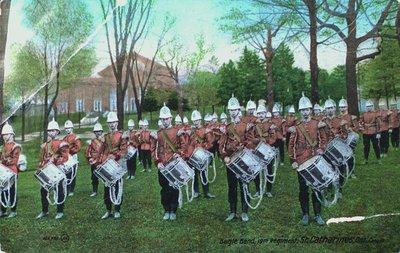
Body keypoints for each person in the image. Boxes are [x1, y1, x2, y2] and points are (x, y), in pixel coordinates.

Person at [288, 93, 327, 226]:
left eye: (307, 109)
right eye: (303, 110)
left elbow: (323, 138)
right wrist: (293, 160)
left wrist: (321, 149)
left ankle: (318, 214)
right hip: (301, 161)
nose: (305, 112)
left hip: (315, 158)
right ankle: (305, 214)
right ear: (300, 111)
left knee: (317, 187)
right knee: (303, 189)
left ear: (310, 110)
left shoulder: (317, 124)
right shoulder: (297, 126)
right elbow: (291, 144)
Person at [219, 95, 256, 222]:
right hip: (231, 161)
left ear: (239, 111)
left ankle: (244, 212)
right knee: (232, 187)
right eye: (230, 110)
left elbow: (251, 141)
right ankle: (232, 211)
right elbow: (221, 144)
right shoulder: (227, 127)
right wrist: (224, 156)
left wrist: (244, 147)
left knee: (244, 185)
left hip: (243, 160)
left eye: (234, 110)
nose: (232, 112)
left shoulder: (246, 125)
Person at [152, 103, 187, 221]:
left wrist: (179, 153)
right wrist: (157, 162)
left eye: (166, 118)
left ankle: (173, 209)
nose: (165, 121)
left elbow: (183, 145)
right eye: (163, 119)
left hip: (174, 165)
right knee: (164, 188)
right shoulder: (158, 133)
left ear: (171, 119)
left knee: (174, 187)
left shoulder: (177, 131)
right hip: (163, 165)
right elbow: (154, 149)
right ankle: (166, 209)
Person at [36, 119, 70, 220]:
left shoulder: (62, 143)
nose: (51, 132)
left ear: (58, 131)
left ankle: (60, 211)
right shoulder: (46, 144)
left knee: (59, 191)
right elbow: (42, 158)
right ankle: (44, 211)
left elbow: (65, 157)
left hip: (57, 169)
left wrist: (54, 160)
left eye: (53, 130)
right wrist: (41, 165)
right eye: (49, 131)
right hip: (47, 170)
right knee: (44, 191)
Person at [101, 112, 128, 219]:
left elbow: (124, 150)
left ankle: (117, 209)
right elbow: (102, 151)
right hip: (107, 165)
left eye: (113, 122)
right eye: (110, 122)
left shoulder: (122, 135)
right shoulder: (106, 136)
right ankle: (108, 210)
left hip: (118, 164)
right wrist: (103, 160)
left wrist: (115, 156)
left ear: (117, 122)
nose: (112, 124)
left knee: (117, 187)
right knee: (106, 188)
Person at [187, 110, 215, 198]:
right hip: (193, 155)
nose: (195, 122)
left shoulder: (205, 130)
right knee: (194, 174)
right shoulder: (191, 131)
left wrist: (203, 147)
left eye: (197, 120)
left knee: (204, 174)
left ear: (200, 120)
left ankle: (206, 192)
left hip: (202, 155)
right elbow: (188, 143)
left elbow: (210, 143)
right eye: (194, 121)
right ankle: (196, 192)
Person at [253, 103, 276, 198]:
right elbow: (251, 137)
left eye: (262, 113)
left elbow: (273, 137)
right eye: (259, 113)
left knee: (269, 170)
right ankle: (258, 189)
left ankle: (268, 190)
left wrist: (267, 142)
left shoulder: (270, 124)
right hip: (257, 149)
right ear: (257, 114)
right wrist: (257, 141)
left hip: (267, 148)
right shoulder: (254, 125)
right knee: (257, 171)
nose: (261, 115)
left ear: (265, 113)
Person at [0, 123, 21, 218]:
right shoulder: (2, 147)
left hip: (12, 172)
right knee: (3, 190)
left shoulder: (16, 146)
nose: (4, 136)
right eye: (3, 134)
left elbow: (14, 161)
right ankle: (3, 210)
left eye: (6, 134)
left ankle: (13, 210)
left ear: (12, 134)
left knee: (12, 191)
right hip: (3, 171)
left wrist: (3, 161)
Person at [84, 123, 106, 197]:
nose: (98, 133)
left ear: (102, 132)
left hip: (103, 161)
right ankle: (94, 191)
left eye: (99, 131)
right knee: (94, 177)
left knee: (106, 177)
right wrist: (90, 158)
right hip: (94, 162)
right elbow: (87, 151)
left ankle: (107, 191)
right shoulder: (92, 141)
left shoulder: (104, 141)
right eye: (96, 131)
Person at [359, 100, 382, 165]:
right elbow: (360, 122)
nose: (369, 107)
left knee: (376, 146)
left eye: (370, 106)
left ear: (372, 106)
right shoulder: (364, 114)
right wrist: (362, 127)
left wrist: (378, 133)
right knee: (366, 146)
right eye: (367, 106)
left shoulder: (375, 114)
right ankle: (365, 159)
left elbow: (378, 124)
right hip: (366, 132)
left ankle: (378, 159)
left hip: (373, 131)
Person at [63, 120, 81, 197]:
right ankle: (67, 189)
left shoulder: (75, 137)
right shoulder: (64, 138)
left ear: (72, 128)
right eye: (66, 128)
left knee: (73, 174)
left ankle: (71, 190)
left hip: (73, 157)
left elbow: (78, 147)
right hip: (66, 158)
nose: (67, 130)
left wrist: (70, 151)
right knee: (67, 173)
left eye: (69, 128)